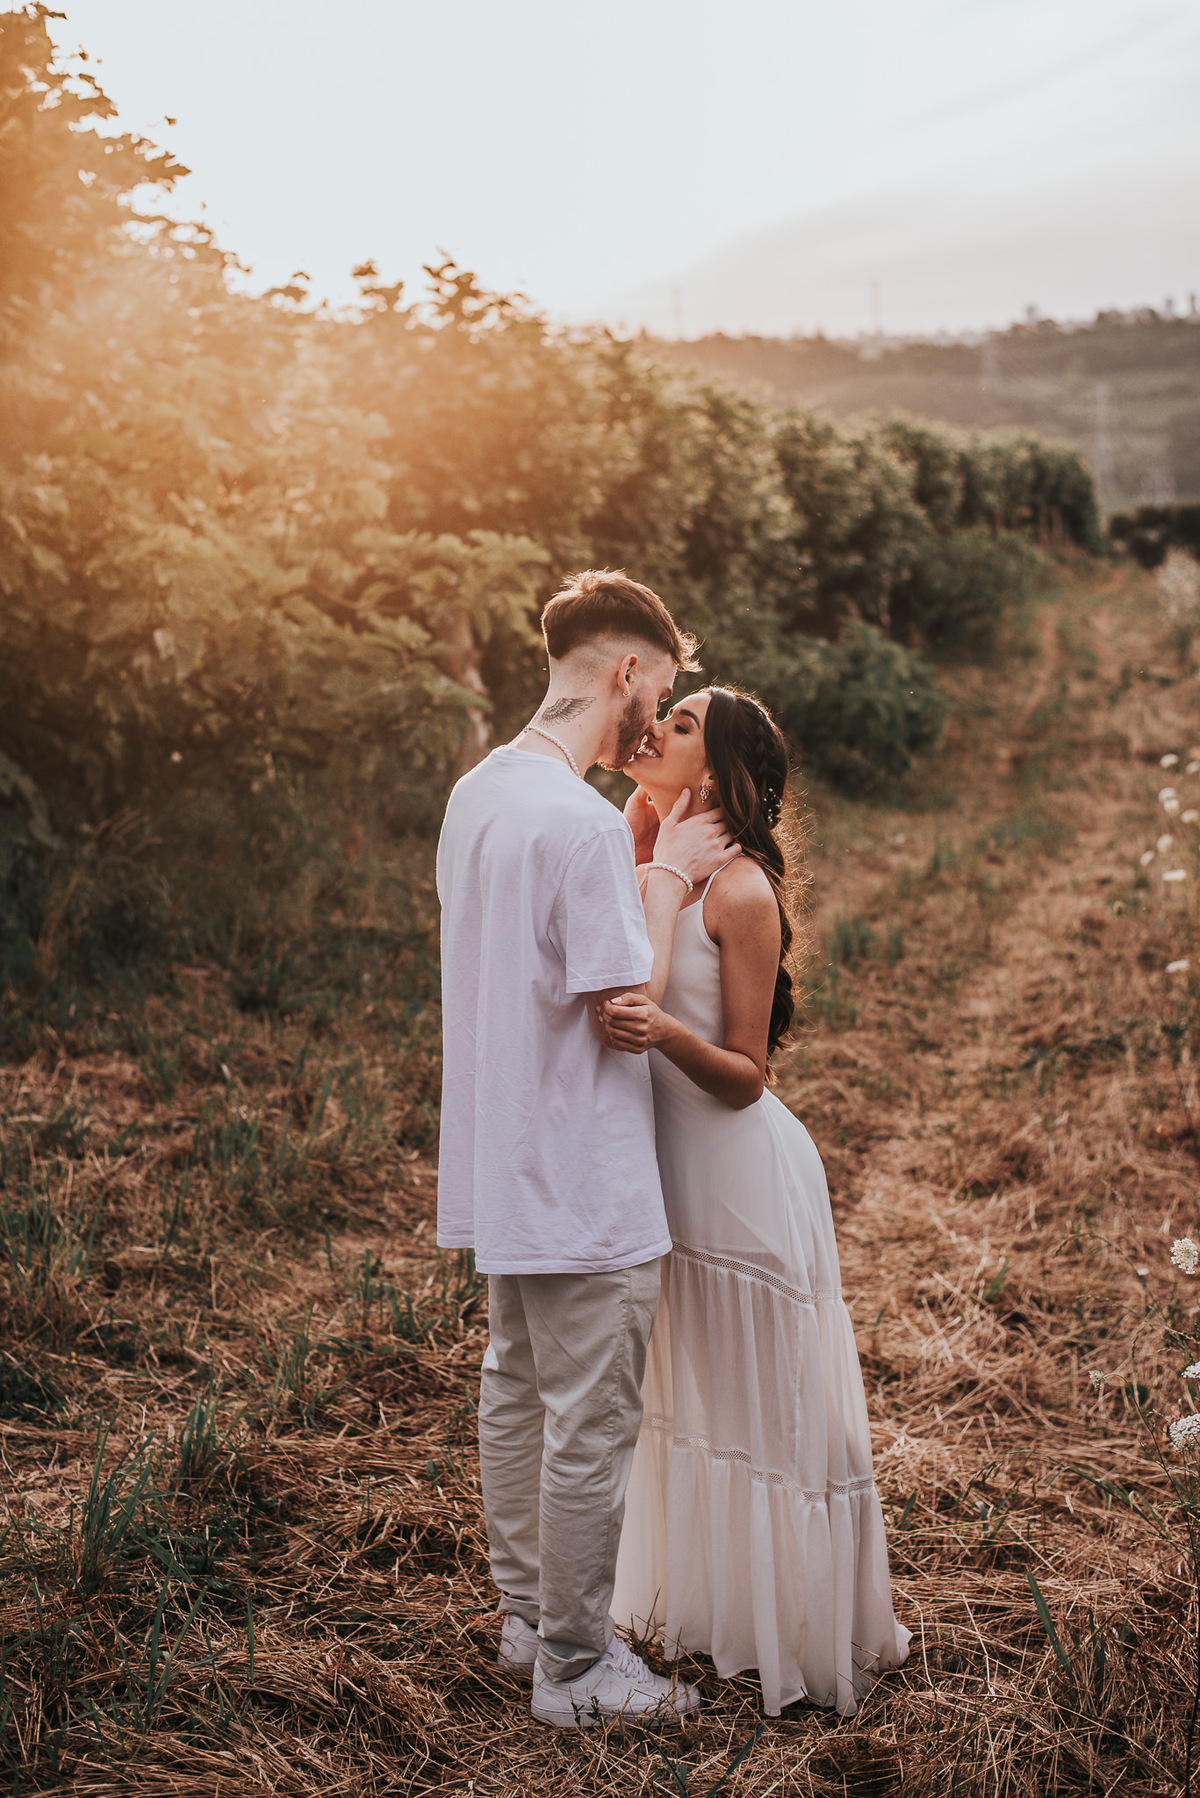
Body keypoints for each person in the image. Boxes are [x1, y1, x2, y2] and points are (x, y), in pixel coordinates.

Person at [436, 570, 738, 1729]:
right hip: (586, 1168)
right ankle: (574, 1666)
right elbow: (629, 1003)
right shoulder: (581, 825)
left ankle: (526, 1616)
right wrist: (663, 868)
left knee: (515, 1386)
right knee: (591, 1423)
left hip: (503, 1152)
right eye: (656, 695)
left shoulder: (482, 793)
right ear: (625, 671)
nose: (655, 726)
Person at [604, 685, 911, 1718]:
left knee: (763, 1413)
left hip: (740, 1175)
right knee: (690, 1400)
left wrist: (662, 1035)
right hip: (671, 1179)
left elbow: (745, 1070)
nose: (657, 731)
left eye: (682, 724)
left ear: (726, 769)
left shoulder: (737, 892)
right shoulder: (654, 862)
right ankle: (714, 1614)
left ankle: (800, 1630)